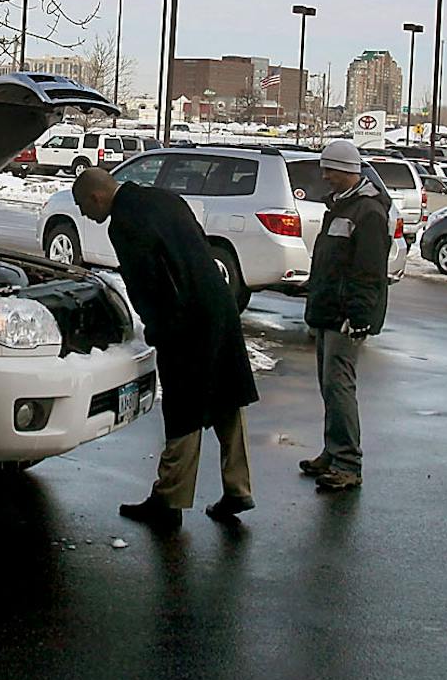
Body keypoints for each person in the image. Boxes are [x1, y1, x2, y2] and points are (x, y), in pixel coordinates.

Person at [72, 165, 256, 529]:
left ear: (96, 196)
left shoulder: (124, 222)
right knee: (226, 396)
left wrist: (157, 328)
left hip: (184, 318)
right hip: (219, 305)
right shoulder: (165, 198)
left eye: (83, 206)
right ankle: (238, 487)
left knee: (184, 406)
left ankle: (169, 500)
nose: (84, 214)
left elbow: (146, 282)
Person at [301, 140, 393, 492]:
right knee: (329, 386)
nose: (325, 176)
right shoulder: (341, 206)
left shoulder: (367, 212)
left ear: (348, 170)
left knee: (339, 387)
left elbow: (369, 271)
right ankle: (333, 451)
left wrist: (358, 317)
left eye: (330, 170)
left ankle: (347, 463)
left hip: (345, 316)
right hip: (328, 311)